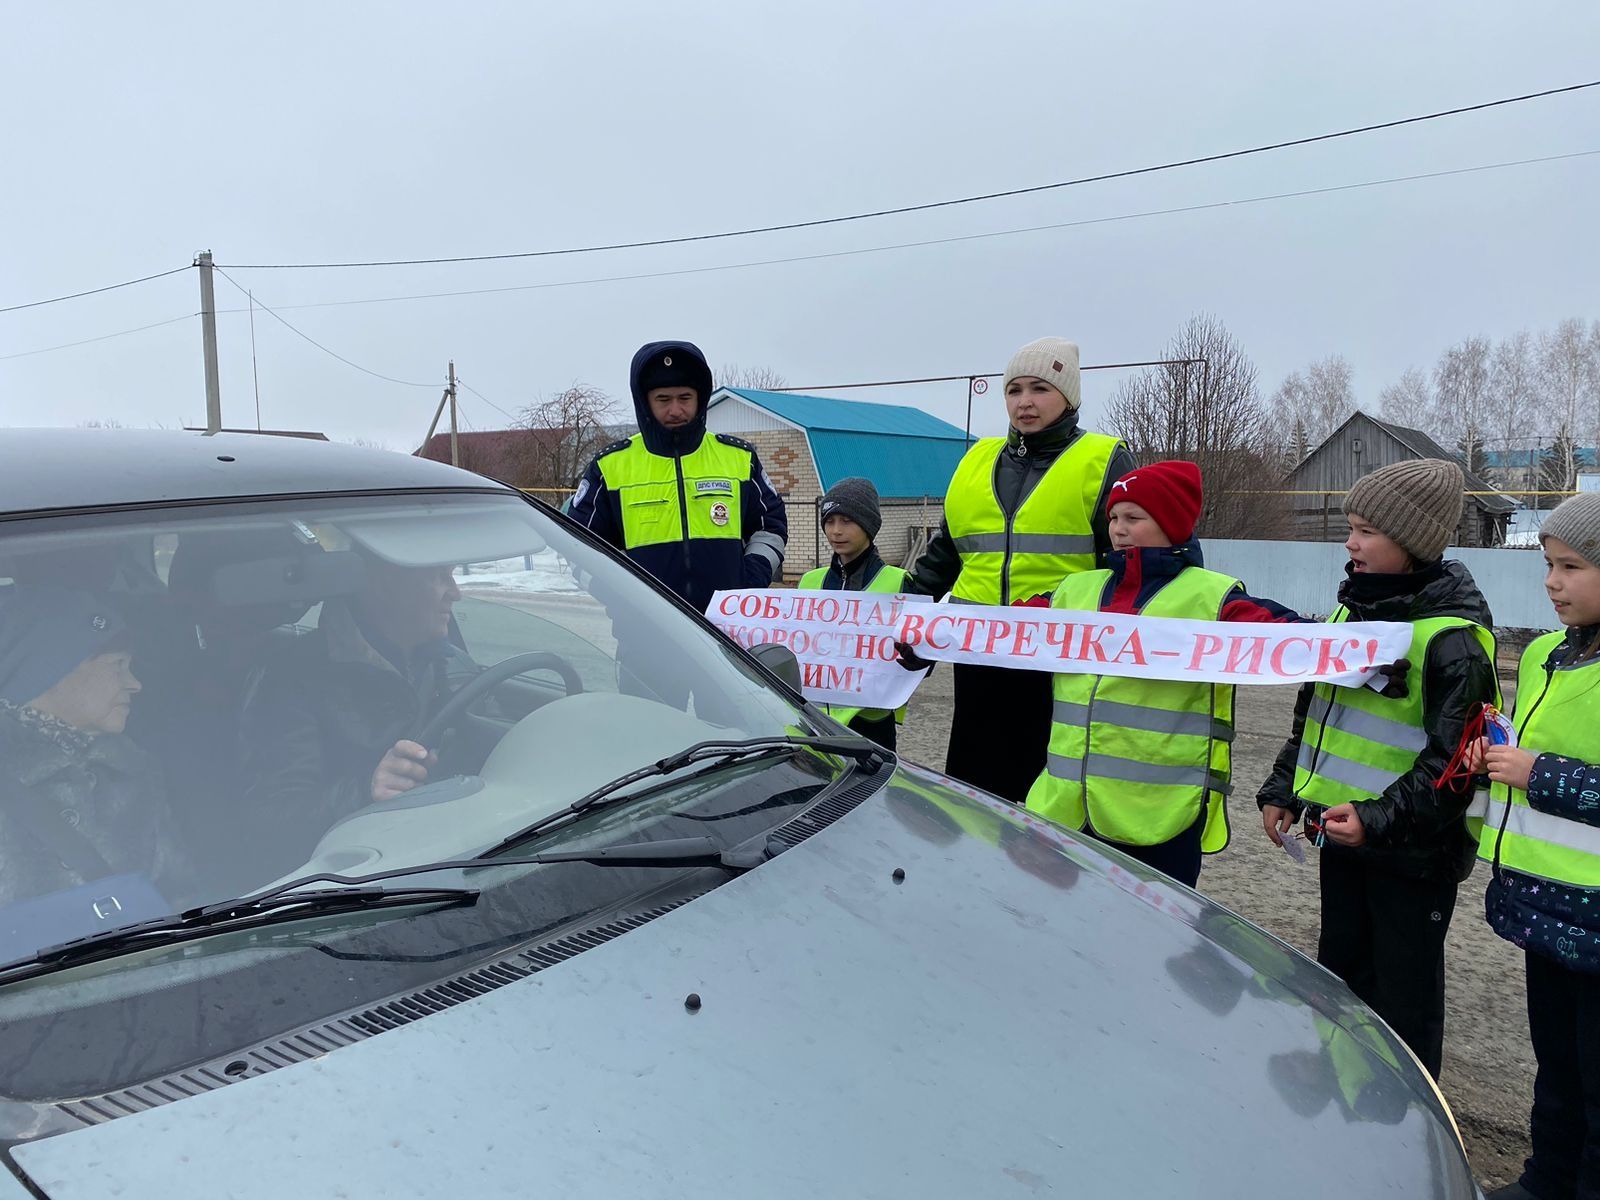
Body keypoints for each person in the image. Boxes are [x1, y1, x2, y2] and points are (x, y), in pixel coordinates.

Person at [1257, 458, 1497, 1080]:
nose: (1350, 542)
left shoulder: (1454, 641)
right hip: (1344, 837)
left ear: (1412, 542)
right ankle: (1340, 1096)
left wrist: (1377, 820)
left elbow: (1454, 767)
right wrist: (1285, 787)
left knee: (1402, 1006)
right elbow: (1314, 719)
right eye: (1351, 526)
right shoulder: (1348, 618)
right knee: (1338, 983)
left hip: (1412, 858)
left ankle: (1402, 1137)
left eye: (1366, 530)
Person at [1024, 461, 1299, 886]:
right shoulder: (1072, 590)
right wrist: (932, 636)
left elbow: (1299, 641)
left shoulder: (1213, 598)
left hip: (1161, 819)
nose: (1118, 528)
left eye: (1134, 517)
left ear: (1172, 525)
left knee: (1150, 946)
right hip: (1064, 808)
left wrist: (1369, 655)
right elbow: (996, 630)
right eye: (1114, 517)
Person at [902, 337, 1135, 803]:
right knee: (974, 791)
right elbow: (943, 556)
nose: (1025, 402)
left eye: (1040, 389)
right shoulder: (974, 460)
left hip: (1055, 657)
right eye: (1014, 390)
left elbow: (1127, 565)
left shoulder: (1103, 460)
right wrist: (908, 620)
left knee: (1046, 789)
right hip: (977, 656)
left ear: (1069, 397)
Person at [1468, 494, 1600, 1200]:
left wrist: (1539, 774)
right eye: (1549, 564)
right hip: (1548, 906)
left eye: (1572, 567)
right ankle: (1544, 1181)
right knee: (1557, 1069)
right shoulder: (1550, 652)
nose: (1551, 582)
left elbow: (1547, 769)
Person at [241, 554, 479, 876]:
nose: (455, 592)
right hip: (355, 884)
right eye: (438, 577)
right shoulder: (292, 678)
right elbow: (269, 820)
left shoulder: (452, 663)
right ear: (383, 584)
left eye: (451, 575)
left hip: (464, 853)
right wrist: (366, 790)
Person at [0, 586, 185, 915]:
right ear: (52, 670)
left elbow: (178, 898)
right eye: (118, 665)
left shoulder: (136, 769)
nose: (135, 683)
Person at [568, 340, 788, 613]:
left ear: (700, 398)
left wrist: (752, 576)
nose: (675, 410)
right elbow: (577, 547)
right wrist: (619, 592)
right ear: (645, 402)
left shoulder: (739, 458)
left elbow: (771, 527)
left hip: (728, 630)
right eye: (663, 399)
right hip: (646, 633)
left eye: (685, 398)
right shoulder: (610, 467)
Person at [797, 477, 907, 751]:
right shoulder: (809, 581)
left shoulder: (900, 582)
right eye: (829, 521)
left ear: (868, 525)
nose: (836, 531)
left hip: (872, 720)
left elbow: (917, 658)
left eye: (847, 521)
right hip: (814, 718)